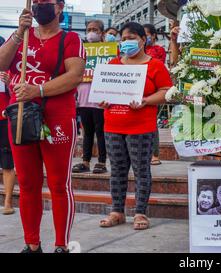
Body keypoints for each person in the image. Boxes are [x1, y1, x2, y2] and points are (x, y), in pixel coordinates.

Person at [0, 0, 86, 253]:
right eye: (35, 2)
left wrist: (38, 89)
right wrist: (17, 34)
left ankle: (61, 245)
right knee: (27, 183)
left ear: (59, 7)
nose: (39, 6)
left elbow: (75, 75)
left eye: (44, 2)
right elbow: (1, 64)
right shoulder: (21, 37)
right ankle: (32, 243)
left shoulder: (70, 39)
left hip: (57, 116)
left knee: (59, 183)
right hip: (21, 116)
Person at [98, 22, 172, 230]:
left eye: (131, 38)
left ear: (143, 40)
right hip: (113, 125)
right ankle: (117, 211)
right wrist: (102, 101)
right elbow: (101, 94)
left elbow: (166, 91)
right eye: (123, 39)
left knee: (141, 170)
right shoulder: (113, 65)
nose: (126, 43)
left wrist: (147, 100)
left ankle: (140, 212)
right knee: (117, 171)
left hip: (141, 127)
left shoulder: (155, 65)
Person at [72, 19, 108, 174]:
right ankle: (85, 161)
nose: (91, 32)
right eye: (89, 29)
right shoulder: (81, 51)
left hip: (100, 100)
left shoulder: (108, 52)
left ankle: (101, 162)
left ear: (102, 33)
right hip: (83, 99)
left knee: (101, 132)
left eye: (95, 29)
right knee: (87, 133)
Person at [143, 23, 166, 166]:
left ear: (153, 35)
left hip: (153, 91)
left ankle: (154, 154)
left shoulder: (158, 50)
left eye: (147, 34)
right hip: (135, 90)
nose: (145, 38)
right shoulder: (134, 51)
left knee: (151, 122)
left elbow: (159, 67)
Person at [0, 71, 16, 216]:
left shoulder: (8, 69)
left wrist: (9, 82)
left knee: (7, 163)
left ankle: (8, 202)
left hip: (4, 119)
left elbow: (16, 95)